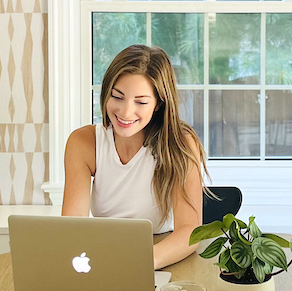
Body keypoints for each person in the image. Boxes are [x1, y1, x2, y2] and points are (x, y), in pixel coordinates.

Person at [62, 44, 207, 270]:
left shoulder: (180, 143)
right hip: (103, 255)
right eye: (117, 97)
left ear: (159, 103)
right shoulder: (83, 143)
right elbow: (72, 228)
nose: (126, 112)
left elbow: (190, 231)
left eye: (140, 102)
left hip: (164, 254)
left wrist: (138, 261)